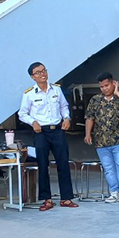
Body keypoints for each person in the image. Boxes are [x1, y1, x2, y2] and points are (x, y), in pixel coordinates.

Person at [18, 62, 77, 211]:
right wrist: (33, 122)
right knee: (43, 165)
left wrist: (67, 118)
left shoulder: (56, 89)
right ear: (32, 77)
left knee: (63, 163)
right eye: (38, 72)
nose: (42, 74)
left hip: (57, 130)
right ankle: (47, 199)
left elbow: (64, 106)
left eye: (44, 71)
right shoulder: (29, 94)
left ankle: (66, 198)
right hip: (41, 133)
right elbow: (22, 114)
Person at [84, 72, 119, 204]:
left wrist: (117, 92)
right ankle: (114, 192)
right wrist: (88, 134)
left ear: (113, 83)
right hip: (101, 141)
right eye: (102, 86)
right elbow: (90, 117)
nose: (104, 89)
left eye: (107, 85)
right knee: (108, 168)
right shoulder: (95, 100)